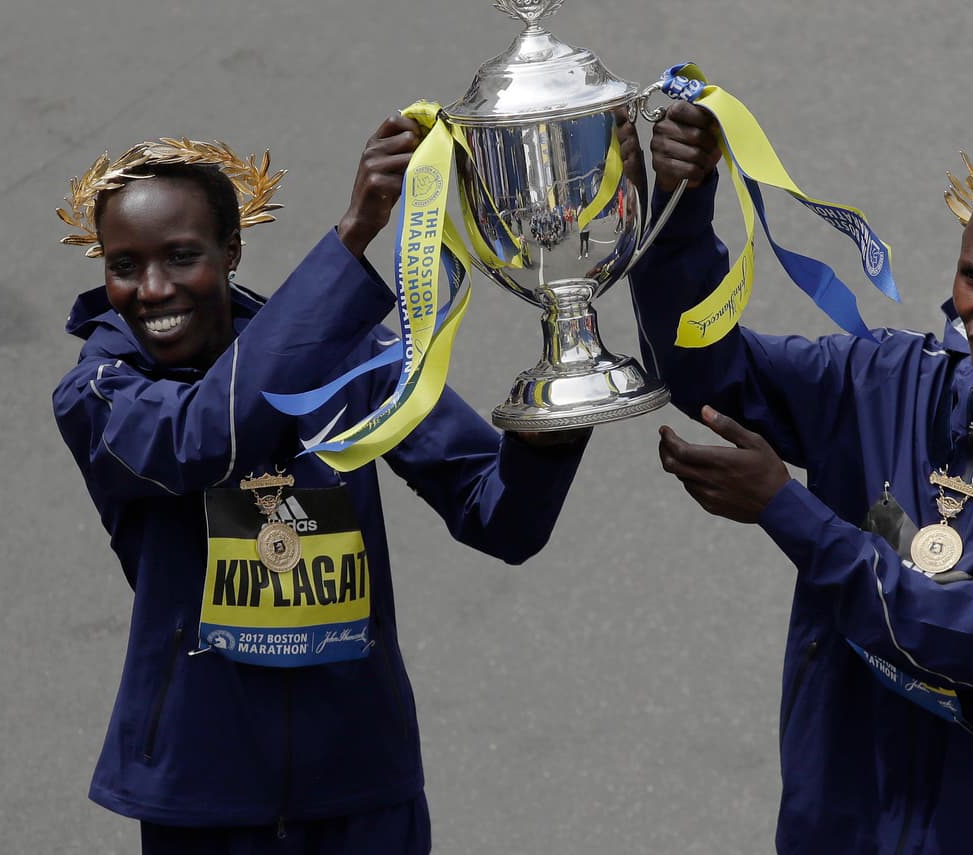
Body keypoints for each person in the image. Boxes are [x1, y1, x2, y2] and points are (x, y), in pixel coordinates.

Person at [628, 102, 973, 853]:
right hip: (838, 830)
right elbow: (705, 369)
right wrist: (682, 207)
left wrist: (788, 510)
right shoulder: (881, 378)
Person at [52, 114, 591, 853]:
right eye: (123, 264)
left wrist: (556, 412)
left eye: (182, 256)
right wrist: (353, 233)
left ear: (231, 249)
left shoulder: (344, 358)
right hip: (202, 797)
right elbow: (205, 438)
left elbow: (499, 516)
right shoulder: (100, 394)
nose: (152, 288)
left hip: (362, 788)